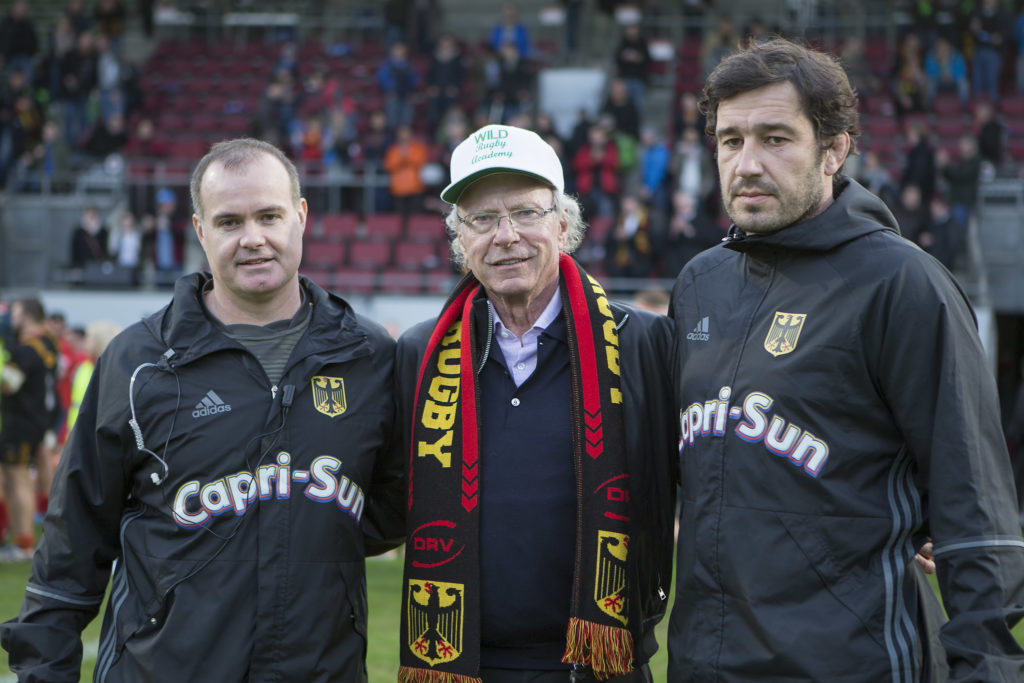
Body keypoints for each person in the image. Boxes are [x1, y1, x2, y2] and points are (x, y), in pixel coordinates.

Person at [668, 38, 1024, 681]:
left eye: (775, 138)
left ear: (834, 150)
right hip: (704, 663)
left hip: (851, 665)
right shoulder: (699, 282)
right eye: (730, 140)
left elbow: (976, 511)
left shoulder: (903, 284)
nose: (746, 163)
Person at [0, 138, 405, 680]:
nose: (253, 239)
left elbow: (389, 508)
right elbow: (72, 543)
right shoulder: (138, 361)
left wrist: (298, 522)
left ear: (301, 217)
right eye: (230, 222)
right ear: (199, 230)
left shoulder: (369, 355)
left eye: (269, 216)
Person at [395, 124, 676, 681]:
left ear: (563, 223)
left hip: (603, 663)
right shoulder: (418, 354)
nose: (505, 236)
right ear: (460, 240)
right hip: (464, 663)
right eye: (481, 219)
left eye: (525, 212)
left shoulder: (640, 341)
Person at [0, 298, 58, 562]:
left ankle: (24, 543)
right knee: (18, 479)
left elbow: (8, 385)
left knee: (18, 479)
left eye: (16, 313)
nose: (12, 319)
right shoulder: (47, 345)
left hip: (20, 422)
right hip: (37, 421)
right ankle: (23, 539)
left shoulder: (26, 350)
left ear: (27, 317)